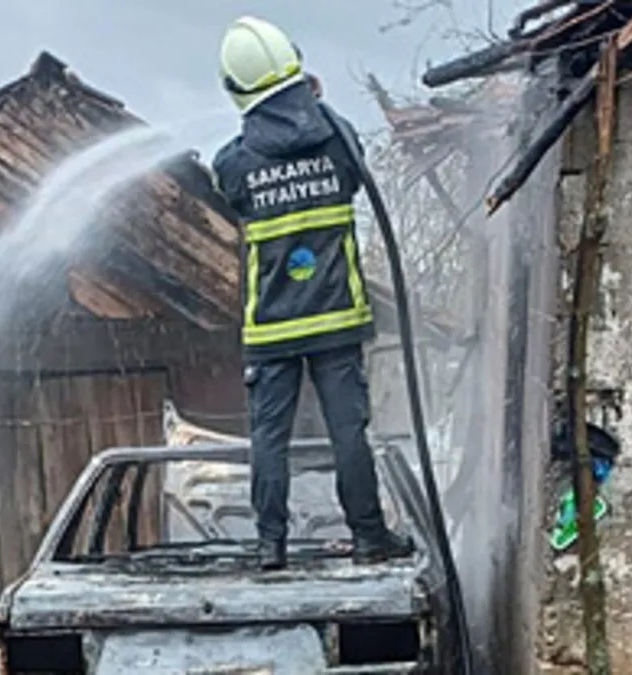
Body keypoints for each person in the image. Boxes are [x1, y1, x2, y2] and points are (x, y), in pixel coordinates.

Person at [210, 15, 415, 570]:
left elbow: (231, 191)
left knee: (269, 438)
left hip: (271, 325)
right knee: (349, 432)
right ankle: (369, 537)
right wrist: (316, 105)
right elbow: (352, 171)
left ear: (236, 88)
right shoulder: (339, 141)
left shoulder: (234, 162)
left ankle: (270, 546)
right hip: (336, 317)